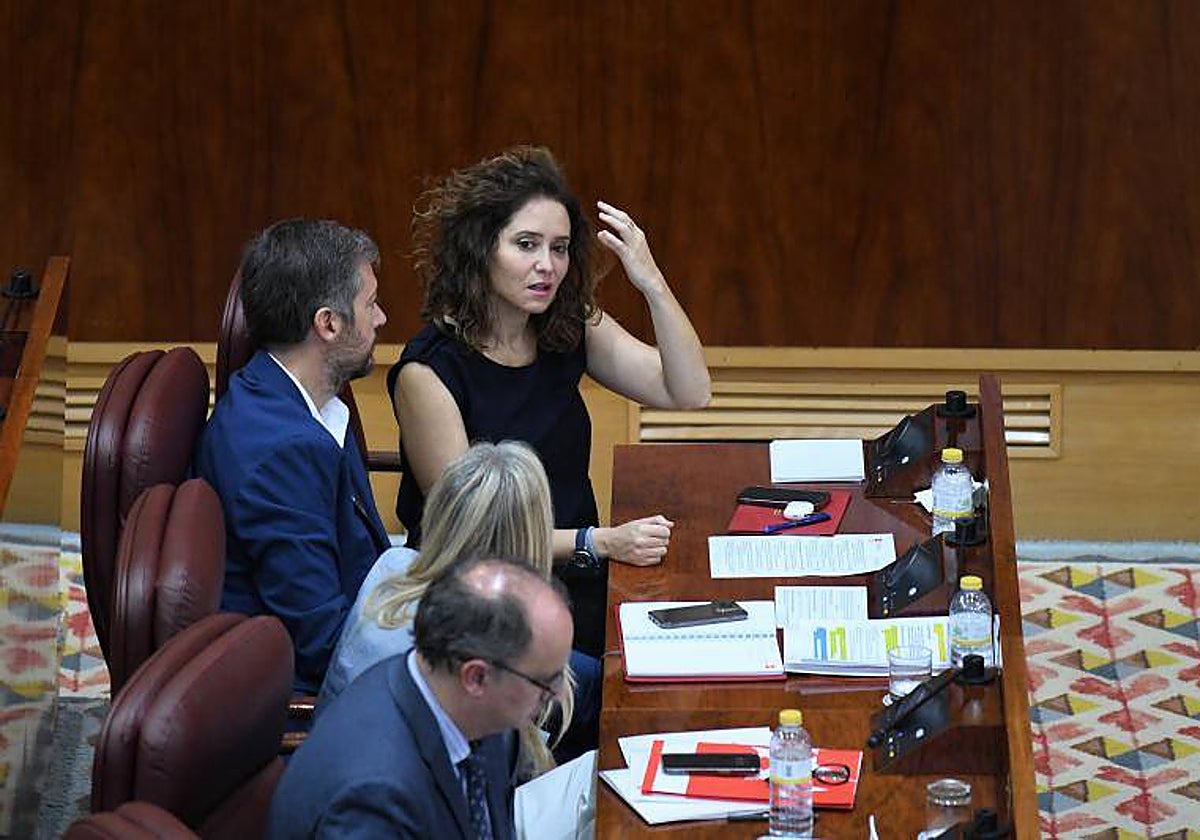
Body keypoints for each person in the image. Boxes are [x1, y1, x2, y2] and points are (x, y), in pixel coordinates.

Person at [390, 146, 711, 656]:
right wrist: (597, 542)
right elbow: (474, 533)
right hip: (483, 603)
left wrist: (651, 282)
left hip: (574, 579)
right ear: (481, 248)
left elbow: (689, 392)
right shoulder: (428, 371)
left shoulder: (567, 326)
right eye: (526, 244)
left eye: (559, 248)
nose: (547, 266)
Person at [193, 218, 390, 694]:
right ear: (328, 323)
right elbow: (324, 644)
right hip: (326, 696)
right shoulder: (284, 452)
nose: (381, 318)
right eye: (370, 304)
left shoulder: (283, 394)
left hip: (374, 612)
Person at [318, 440, 600, 768]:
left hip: (353, 748)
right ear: (529, 542)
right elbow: (501, 766)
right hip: (418, 784)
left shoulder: (395, 562)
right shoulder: (472, 646)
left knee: (593, 680)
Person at [267, 554, 573, 840]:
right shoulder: (372, 800)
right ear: (476, 677)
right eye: (547, 681)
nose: (558, 694)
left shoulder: (480, 712)